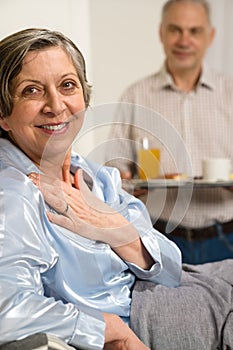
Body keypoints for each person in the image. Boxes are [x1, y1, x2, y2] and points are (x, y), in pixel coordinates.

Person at [0, 28, 232, 350]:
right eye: (31, 91)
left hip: (166, 291)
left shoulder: (91, 174)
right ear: (3, 114)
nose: (56, 105)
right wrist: (107, 328)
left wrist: (116, 228)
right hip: (138, 316)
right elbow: (8, 311)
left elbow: (170, 266)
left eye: (67, 85)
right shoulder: (13, 193)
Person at [105, 0, 233, 264]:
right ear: (161, 33)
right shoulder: (136, 95)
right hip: (159, 237)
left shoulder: (230, 92)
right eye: (175, 30)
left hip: (227, 238)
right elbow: (114, 167)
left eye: (194, 31)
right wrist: (126, 181)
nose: (184, 40)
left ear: (210, 36)